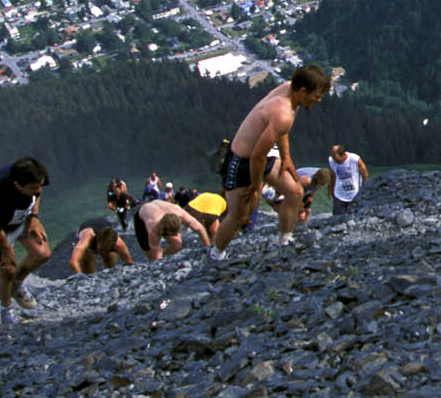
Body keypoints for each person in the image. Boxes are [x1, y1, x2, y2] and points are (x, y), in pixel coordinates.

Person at [210, 64, 330, 257]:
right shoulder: (282, 112)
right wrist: (256, 187)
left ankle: (284, 242)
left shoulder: (291, 91)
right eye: (316, 95)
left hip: (264, 155)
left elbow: (278, 132)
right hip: (241, 162)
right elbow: (257, 155)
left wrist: (286, 157)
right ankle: (216, 255)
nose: (318, 100)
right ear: (302, 91)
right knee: (240, 215)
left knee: (295, 192)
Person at [0, 157, 52, 325]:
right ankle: (6, 311)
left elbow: (38, 192)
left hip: (20, 217)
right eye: (33, 188)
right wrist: (7, 251)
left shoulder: (33, 176)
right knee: (7, 268)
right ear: (17, 185)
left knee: (42, 253)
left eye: (39, 185)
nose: (38, 190)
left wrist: (34, 216)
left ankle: (17, 285)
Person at [134, 195, 213, 260]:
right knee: (151, 255)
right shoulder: (152, 227)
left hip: (162, 213)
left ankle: (164, 255)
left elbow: (200, 228)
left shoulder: (179, 212)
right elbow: (155, 251)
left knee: (177, 246)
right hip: (141, 220)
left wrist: (208, 248)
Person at [65, 217, 132, 274]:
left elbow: (128, 262)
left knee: (110, 262)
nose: (101, 252)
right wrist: (80, 278)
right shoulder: (87, 236)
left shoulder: (119, 244)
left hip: (105, 232)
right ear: (98, 240)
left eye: (106, 250)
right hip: (87, 232)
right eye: (101, 249)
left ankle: (110, 271)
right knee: (87, 261)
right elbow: (73, 261)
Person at [327, 145, 370, 213]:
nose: (334, 160)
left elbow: (365, 175)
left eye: (336, 158)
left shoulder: (354, 159)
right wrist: (330, 190)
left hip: (355, 194)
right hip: (339, 194)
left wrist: (365, 191)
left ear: (343, 155)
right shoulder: (331, 160)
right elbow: (332, 176)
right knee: (336, 218)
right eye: (332, 157)